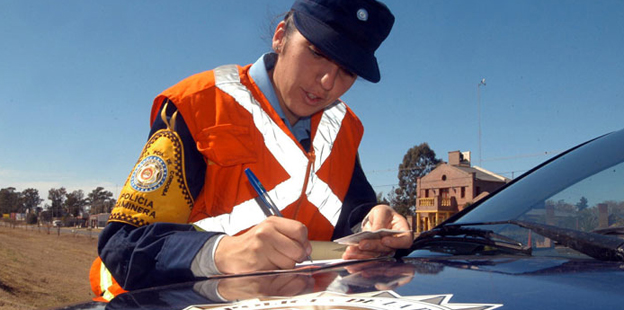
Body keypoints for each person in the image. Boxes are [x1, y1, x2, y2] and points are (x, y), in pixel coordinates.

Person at [90, 0, 412, 301]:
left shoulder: (344, 129)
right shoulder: (198, 107)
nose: (328, 81)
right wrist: (221, 253)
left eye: (347, 71)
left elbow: (352, 211)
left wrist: (372, 225)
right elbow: (123, 244)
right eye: (316, 52)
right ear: (280, 37)